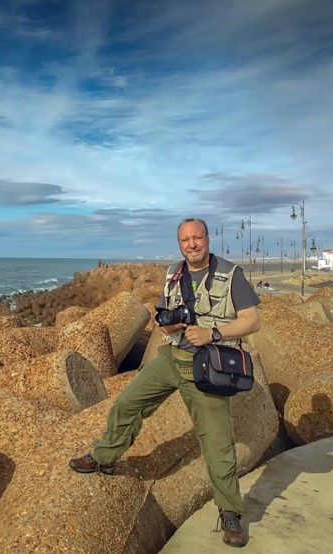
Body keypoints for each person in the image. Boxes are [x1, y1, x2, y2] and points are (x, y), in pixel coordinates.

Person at [68, 218, 261, 548]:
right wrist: (167, 324)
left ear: (207, 238)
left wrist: (212, 333)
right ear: (180, 244)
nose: (192, 244)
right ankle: (103, 457)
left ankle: (230, 514)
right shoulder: (174, 272)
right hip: (173, 358)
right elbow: (165, 314)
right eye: (185, 240)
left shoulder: (231, 274)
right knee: (127, 403)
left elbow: (253, 320)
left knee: (218, 443)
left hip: (209, 366)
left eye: (197, 238)